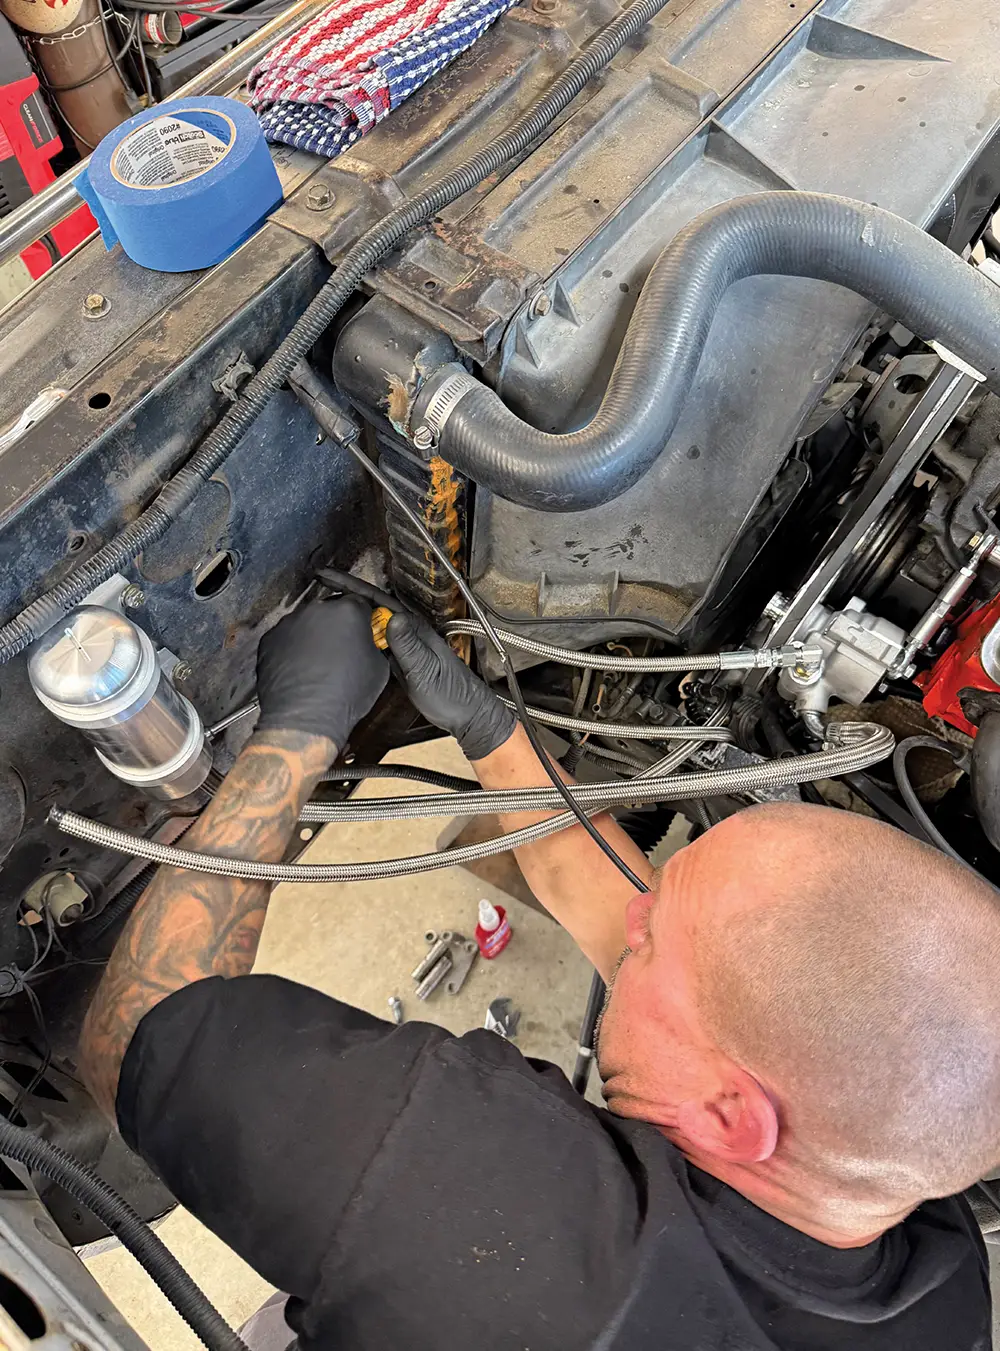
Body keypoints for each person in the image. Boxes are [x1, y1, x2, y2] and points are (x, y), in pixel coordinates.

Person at [79, 597, 997, 1351]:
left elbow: (142, 1034)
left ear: (731, 1117)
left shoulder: (514, 1230)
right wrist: (494, 735)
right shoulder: (935, 1278)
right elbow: (702, 996)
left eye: (646, 941)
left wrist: (298, 733)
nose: (628, 915)